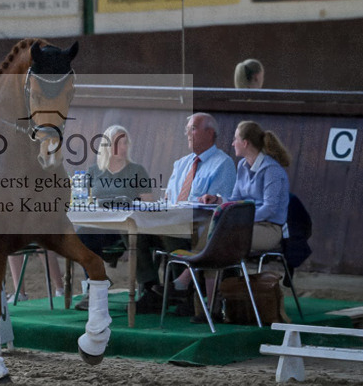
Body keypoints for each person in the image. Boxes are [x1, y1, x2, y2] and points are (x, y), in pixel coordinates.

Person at [135, 112, 237, 312]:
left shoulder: (223, 164)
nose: (187, 134)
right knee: (135, 230)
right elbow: (170, 198)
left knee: (170, 231)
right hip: (173, 221)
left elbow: (219, 208)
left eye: (192, 129)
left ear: (209, 133)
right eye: (187, 129)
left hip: (199, 229)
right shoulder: (181, 164)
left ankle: (185, 291)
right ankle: (151, 289)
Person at [74, 125, 151, 310]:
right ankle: (96, 282)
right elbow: (85, 199)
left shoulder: (137, 170)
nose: (122, 147)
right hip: (102, 225)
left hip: (127, 224)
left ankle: (148, 288)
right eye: (117, 143)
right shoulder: (94, 171)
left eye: (125, 143)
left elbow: (149, 203)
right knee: (81, 235)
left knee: (130, 233)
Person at [201, 119, 291, 257]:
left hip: (269, 229)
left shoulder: (272, 170)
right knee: (205, 229)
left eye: (235, 139)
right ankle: (206, 276)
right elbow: (236, 199)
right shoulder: (242, 165)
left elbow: (270, 208)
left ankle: (191, 275)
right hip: (247, 224)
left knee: (221, 234)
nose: (232, 143)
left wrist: (242, 219)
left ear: (245, 143)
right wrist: (217, 200)